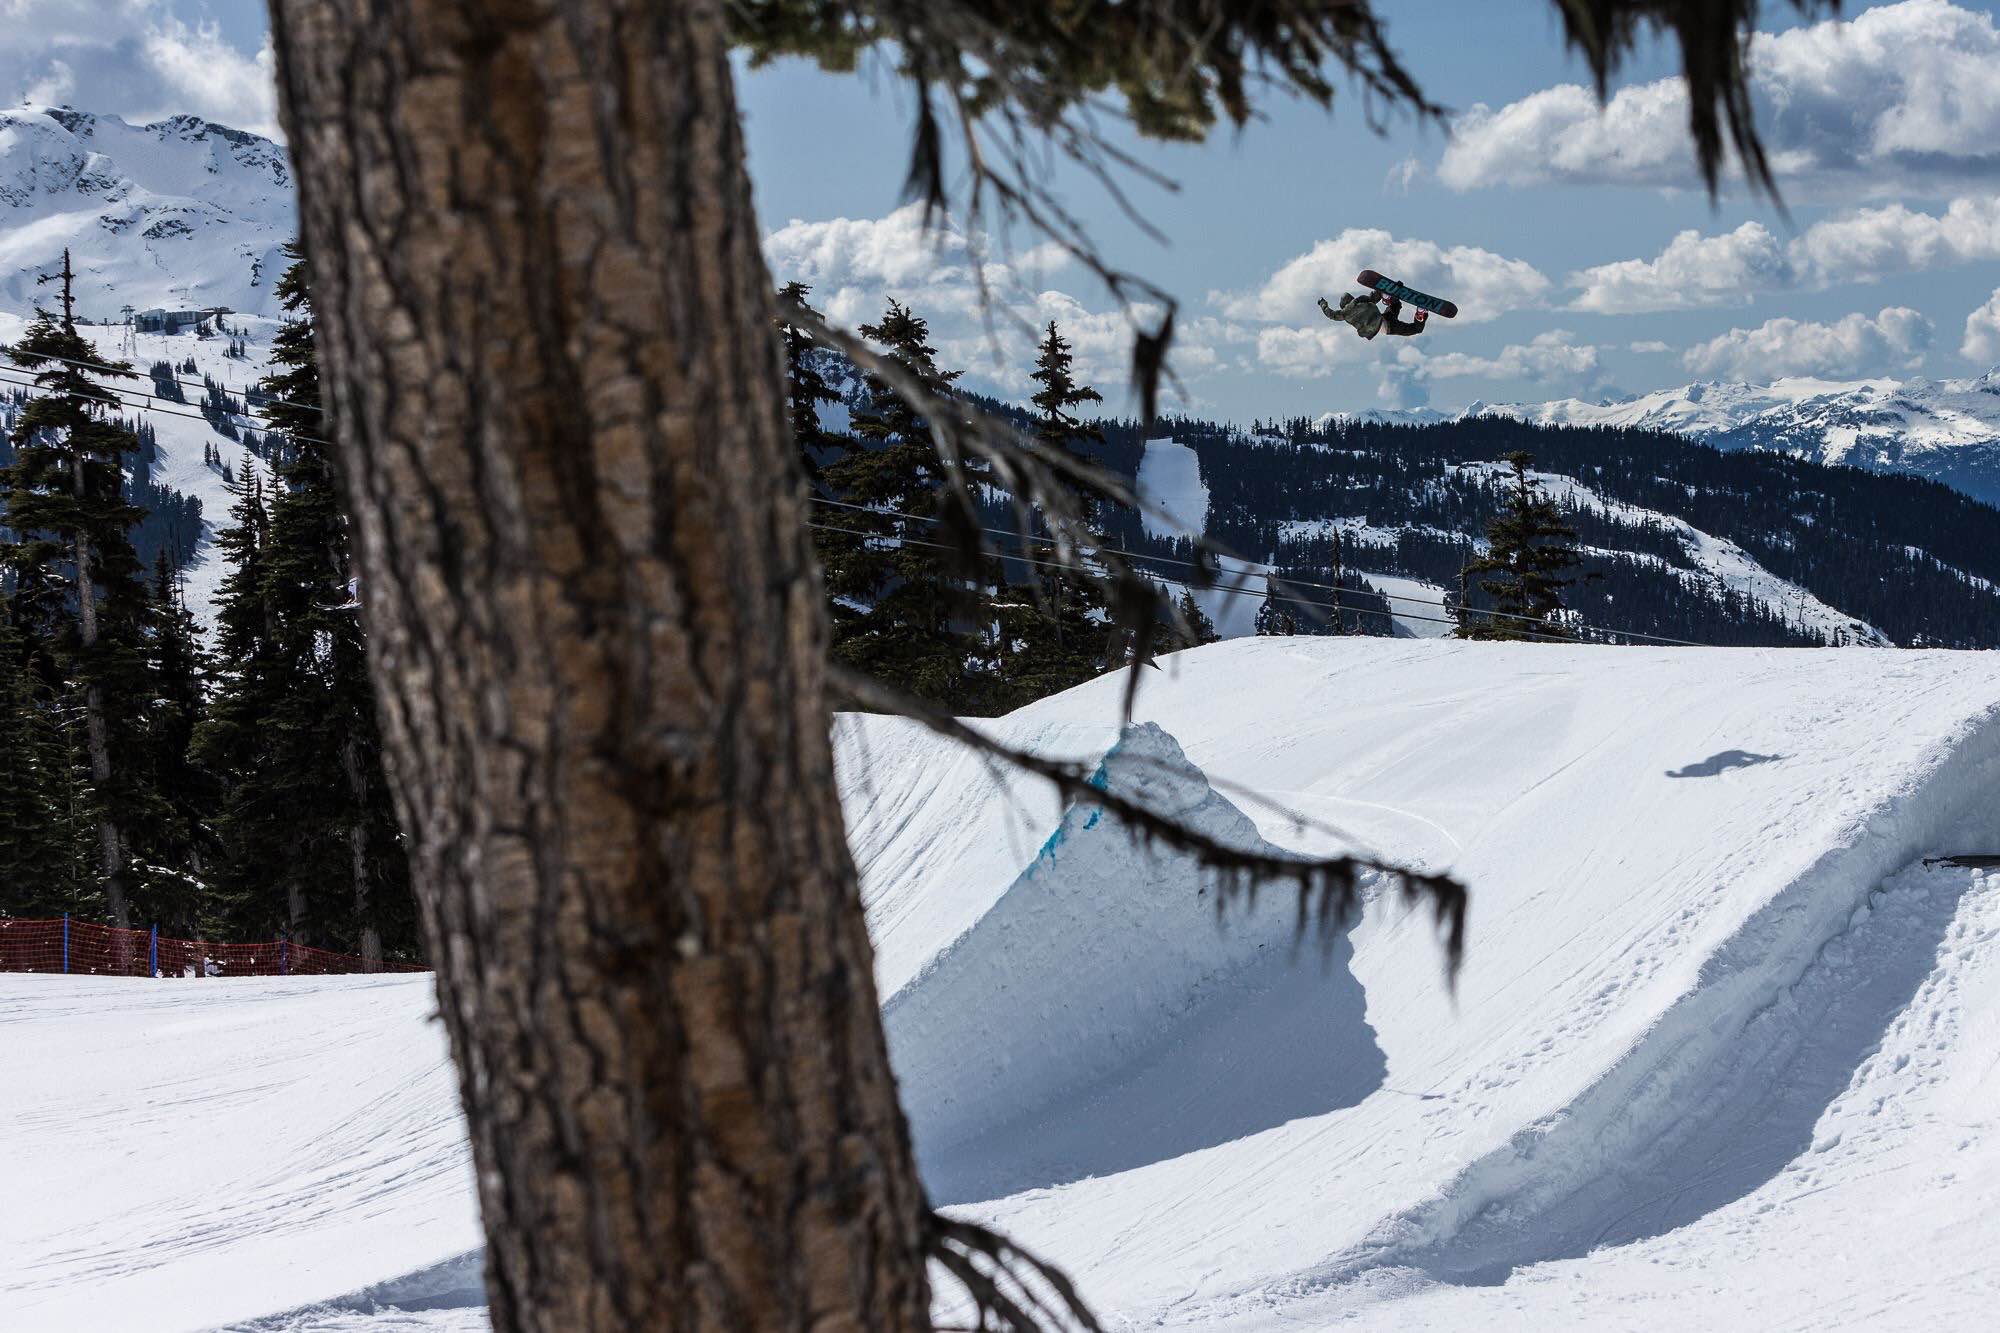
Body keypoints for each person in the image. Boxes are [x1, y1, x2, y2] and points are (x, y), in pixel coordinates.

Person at [1319, 292, 1427, 340]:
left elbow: (1330, 314)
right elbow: (1374, 296)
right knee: (1396, 304)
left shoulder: (1344, 314)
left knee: (1415, 329)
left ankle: (1420, 313)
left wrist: (1322, 303)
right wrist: (1390, 289)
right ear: (1351, 298)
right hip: (1382, 319)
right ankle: (1387, 297)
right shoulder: (1360, 300)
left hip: (1382, 326)